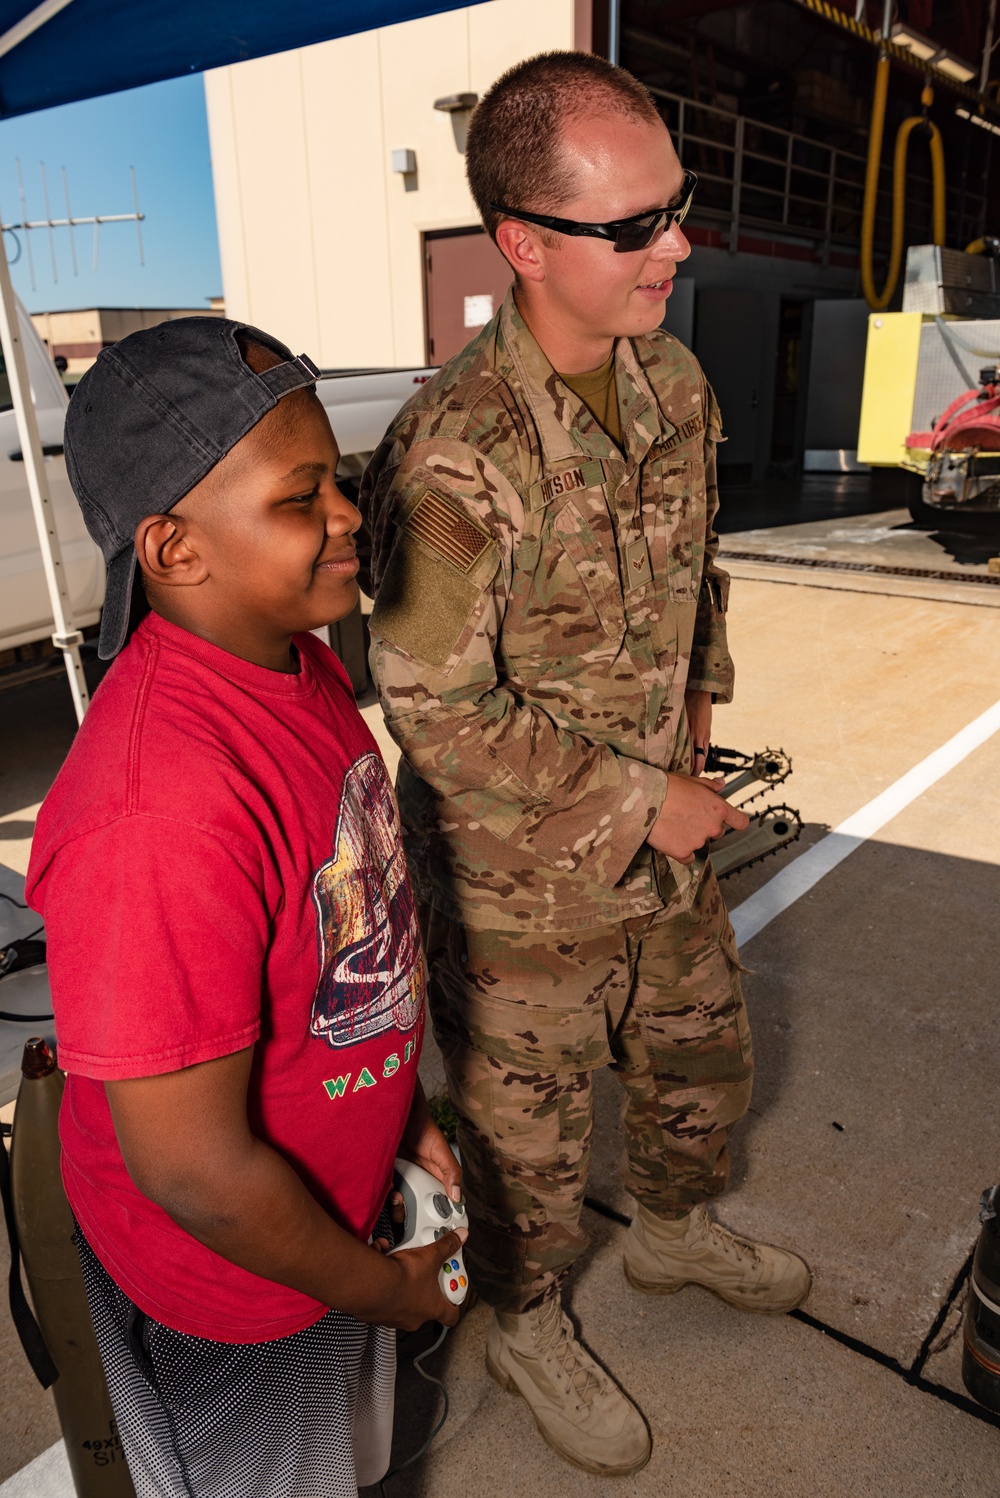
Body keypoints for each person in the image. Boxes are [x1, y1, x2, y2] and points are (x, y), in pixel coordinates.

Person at [361, 50, 811, 1478]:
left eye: (677, 208)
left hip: (665, 830)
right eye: (638, 227)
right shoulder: (451, 457)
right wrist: (641, 797)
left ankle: (673, 1233)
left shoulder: (670, 379)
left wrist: (693, 726)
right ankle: (525, 1312)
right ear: (526, 246)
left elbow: (697, 582)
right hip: (517, 894)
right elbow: (432, 711)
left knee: (702, 1069)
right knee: (525, 1156)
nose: (679, 244)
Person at [26, 317, 466, 1498]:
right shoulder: (158, 813)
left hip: (328, 1223)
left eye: (342, 481)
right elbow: (198, 1173)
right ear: (173, 549)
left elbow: (345, 940)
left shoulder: (294, 654)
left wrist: (399, 1115)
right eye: (299, 498)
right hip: (244, 1289)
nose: (346, 517)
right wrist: (387, 1287)